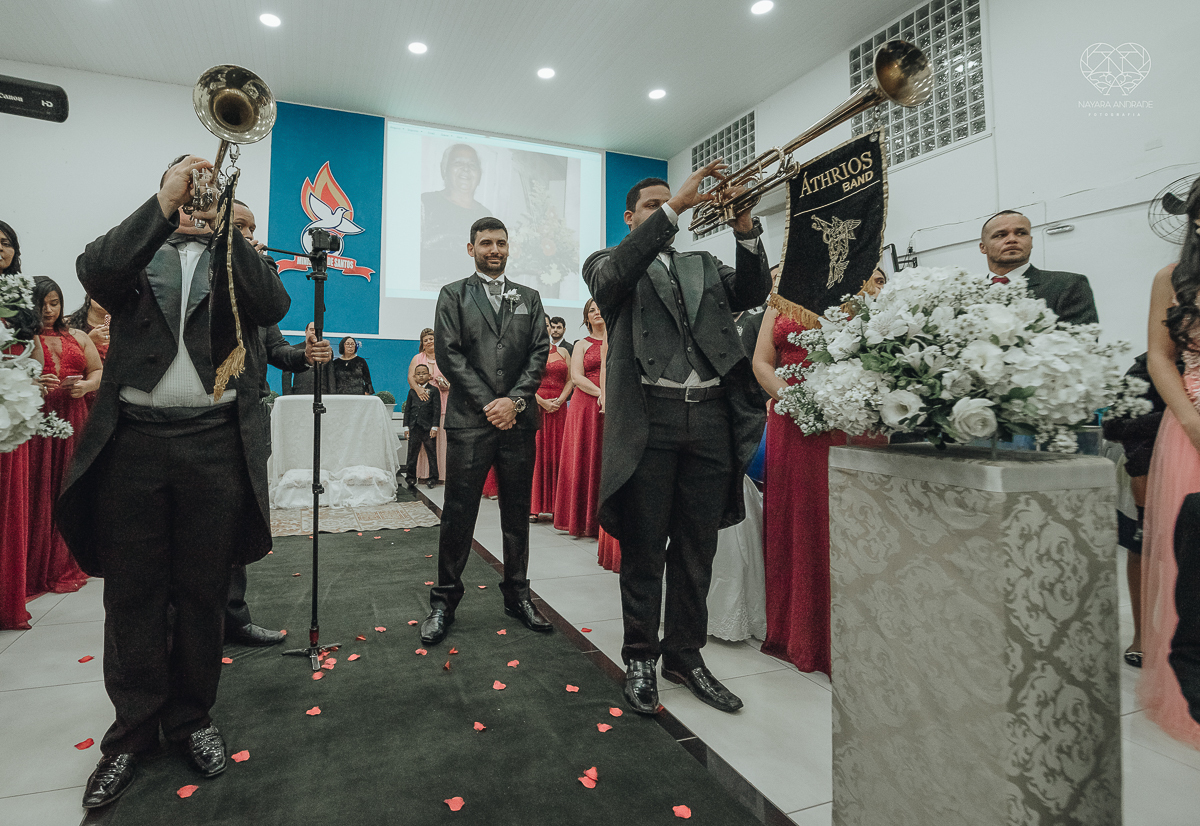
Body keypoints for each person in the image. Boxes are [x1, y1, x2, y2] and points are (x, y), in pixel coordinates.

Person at [56, 153, 291, 807]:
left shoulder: (233, 258)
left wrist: (226, 229)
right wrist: (163, 203)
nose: (197, 197)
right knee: (132, 597)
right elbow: (95, 269)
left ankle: (190, 719)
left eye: (204, 190)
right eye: (189, 188)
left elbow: (273, 301)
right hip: (134, 448)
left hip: (213, 448)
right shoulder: (137, 256)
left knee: (201, 592)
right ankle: (129, 737)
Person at [583, 165, 771, 715]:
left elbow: (753, 292)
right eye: (653, 205)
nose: (671, 208)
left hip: (710, 417)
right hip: (651, 419)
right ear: (630, 217)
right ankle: (640, 655)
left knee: (697, 548)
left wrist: (743, 227)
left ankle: (685, 656)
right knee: (644, 548)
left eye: (669, 204)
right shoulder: (607, 262)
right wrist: (674, 209)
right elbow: (613, 279)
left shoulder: (701, 264)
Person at [419, 217, 552, 646]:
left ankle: (518, 594)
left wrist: (513, 402)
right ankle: (444, 601)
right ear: (471, 247)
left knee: (517, 513)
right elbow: (449, 354)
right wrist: (490, 403)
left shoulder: (529, 297)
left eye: (500, 243)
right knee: (459, 513)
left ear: (509, 248)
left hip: (517, 422)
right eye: (486, 243)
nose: (494, 250)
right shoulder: (453, 294)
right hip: (470, 422)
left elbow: (539, 351)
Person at [226, 198, 331, 647]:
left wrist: (302, 354)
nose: (252, 235)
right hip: (196, 418)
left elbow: (275, 349)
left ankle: (233, 616)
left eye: (253, 228)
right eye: (241, 227)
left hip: (245, 420)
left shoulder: (257, 285)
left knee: (236, 521)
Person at [1138, 175, 1200, 749]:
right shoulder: (1171, 280)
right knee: (1194, 567)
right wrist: (1189, 418)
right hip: (1194, 428)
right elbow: (1161, 357)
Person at [26, 276, 101, 598]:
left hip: (75, 419)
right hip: (37, 424)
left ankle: (72, 554)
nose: (49, 310)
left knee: (72, 487)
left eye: (54, 303)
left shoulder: (79, 336)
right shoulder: (22, 339)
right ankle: (36, 560)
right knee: (38, 489)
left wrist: (85, 386)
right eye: (43, 304)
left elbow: (98, 371)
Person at [1, 219, 37, 630]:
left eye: (6, 243)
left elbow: (31, 353)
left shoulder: (20, 298)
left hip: (9, 410)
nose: (0, 249)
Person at [979, 210, 1099, 325]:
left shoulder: (1068, 284)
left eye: (1021, 233)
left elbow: (1081, 343)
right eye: (1001, 235)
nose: (1012, 239)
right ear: (983, 247)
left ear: (1031, 242)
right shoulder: (970, 295)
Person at [552, 299, 606, 537]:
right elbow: (576, 376)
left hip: (614, 403)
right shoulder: (581, 344)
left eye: (599, 308)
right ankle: (581, 520)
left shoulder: (619, 340)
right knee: (584, 456)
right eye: (591, 310)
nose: (596, 312)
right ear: (586, 318)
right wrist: (602, 394)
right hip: (586, 404)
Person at [421, 143, 492, 291]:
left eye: (472, 165)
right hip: (428, 293)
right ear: (444, 169)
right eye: (458, 163)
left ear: (479, 174)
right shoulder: (425, 203)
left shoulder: (486, 216)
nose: (466, 169)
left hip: (470, 299)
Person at [532, 314, 575, 520]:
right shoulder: (529, 353)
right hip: (538, 407)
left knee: (560, 455)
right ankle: (534, 506)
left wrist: (559, 401)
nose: (546, 328)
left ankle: (559, 507)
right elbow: (526, 383)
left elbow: (571, 380)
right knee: (537, 456)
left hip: (560, 408)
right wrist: (544, 402)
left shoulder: (564, 352)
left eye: (548, 325)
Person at [407, 327, 449, 484]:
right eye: (426, 340)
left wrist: (445, 385)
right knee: (424, 445)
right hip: (422, 406)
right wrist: (418, 390)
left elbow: (452, 380)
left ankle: (441, 476)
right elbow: (411, 378)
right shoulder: (417, 358)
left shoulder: (445, 357)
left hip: (442, 403)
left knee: (441, 442)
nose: (429, 341)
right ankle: (423, 475)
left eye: (431, 338)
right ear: (422, 344)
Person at [403, 363, 441, 490]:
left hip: (428, 428)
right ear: (414, 376)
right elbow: (407, 410)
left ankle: (433, 478)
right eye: (418, 374)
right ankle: (410, 478)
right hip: (414, 427)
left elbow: (437, 410)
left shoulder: (434, 391)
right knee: (412, 454)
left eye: (423, 373)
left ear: (429, 376)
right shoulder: (412, 391)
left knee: (431, 453)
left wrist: (435, 427)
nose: (421, 376)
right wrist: (406, 427)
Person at [281, 322, 334, 395]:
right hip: (300, 393)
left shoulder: (325, 350)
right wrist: (287, 395)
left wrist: (332, 395)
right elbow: (286, 375)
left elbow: (330, 374)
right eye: (311, 329)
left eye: (317, 330)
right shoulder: (294, 349)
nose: (314, 332)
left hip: (322, 394)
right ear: (306, 331)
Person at [67, 295, 111, 363]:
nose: (103, 297)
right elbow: (61, 359)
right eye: (99, 292)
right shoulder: (68, 325)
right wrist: (89, 340)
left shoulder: (124, 328)